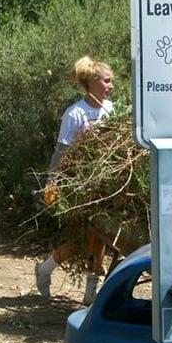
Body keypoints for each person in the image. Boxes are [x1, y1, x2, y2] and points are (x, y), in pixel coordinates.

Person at [35, 56, 114, 304]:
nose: (111, 86)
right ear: (92, 82)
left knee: (101, 236)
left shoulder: (111, 110)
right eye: (107, 81)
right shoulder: (75, 113)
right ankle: (45, 269)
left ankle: (90, 293)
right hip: (81, 184)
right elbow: (61, 151)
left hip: (107, 183)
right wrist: (52, 182)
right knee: (85, 238)